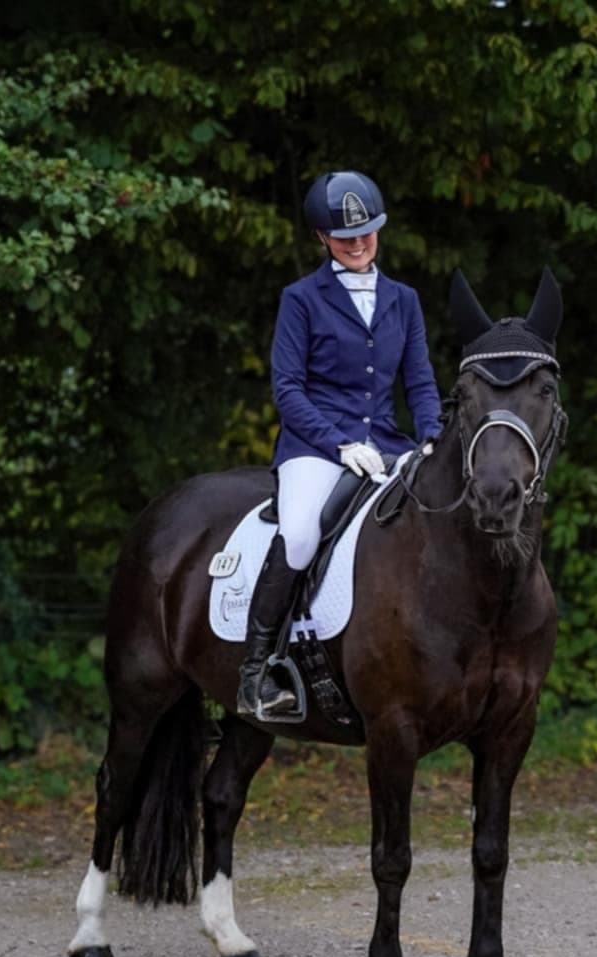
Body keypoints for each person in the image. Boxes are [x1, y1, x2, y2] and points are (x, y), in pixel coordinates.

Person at [237, 170, 443, 720]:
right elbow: (287, 389)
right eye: (344, 237)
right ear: (322, 239)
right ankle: (260, 670)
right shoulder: (301, 299)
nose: (357, 245)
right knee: (302, 533)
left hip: (391, 446)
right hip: (314, 446)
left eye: (367, 234)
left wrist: (430, 439)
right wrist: (338, 443)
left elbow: (419, 382)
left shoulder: (404, 299)